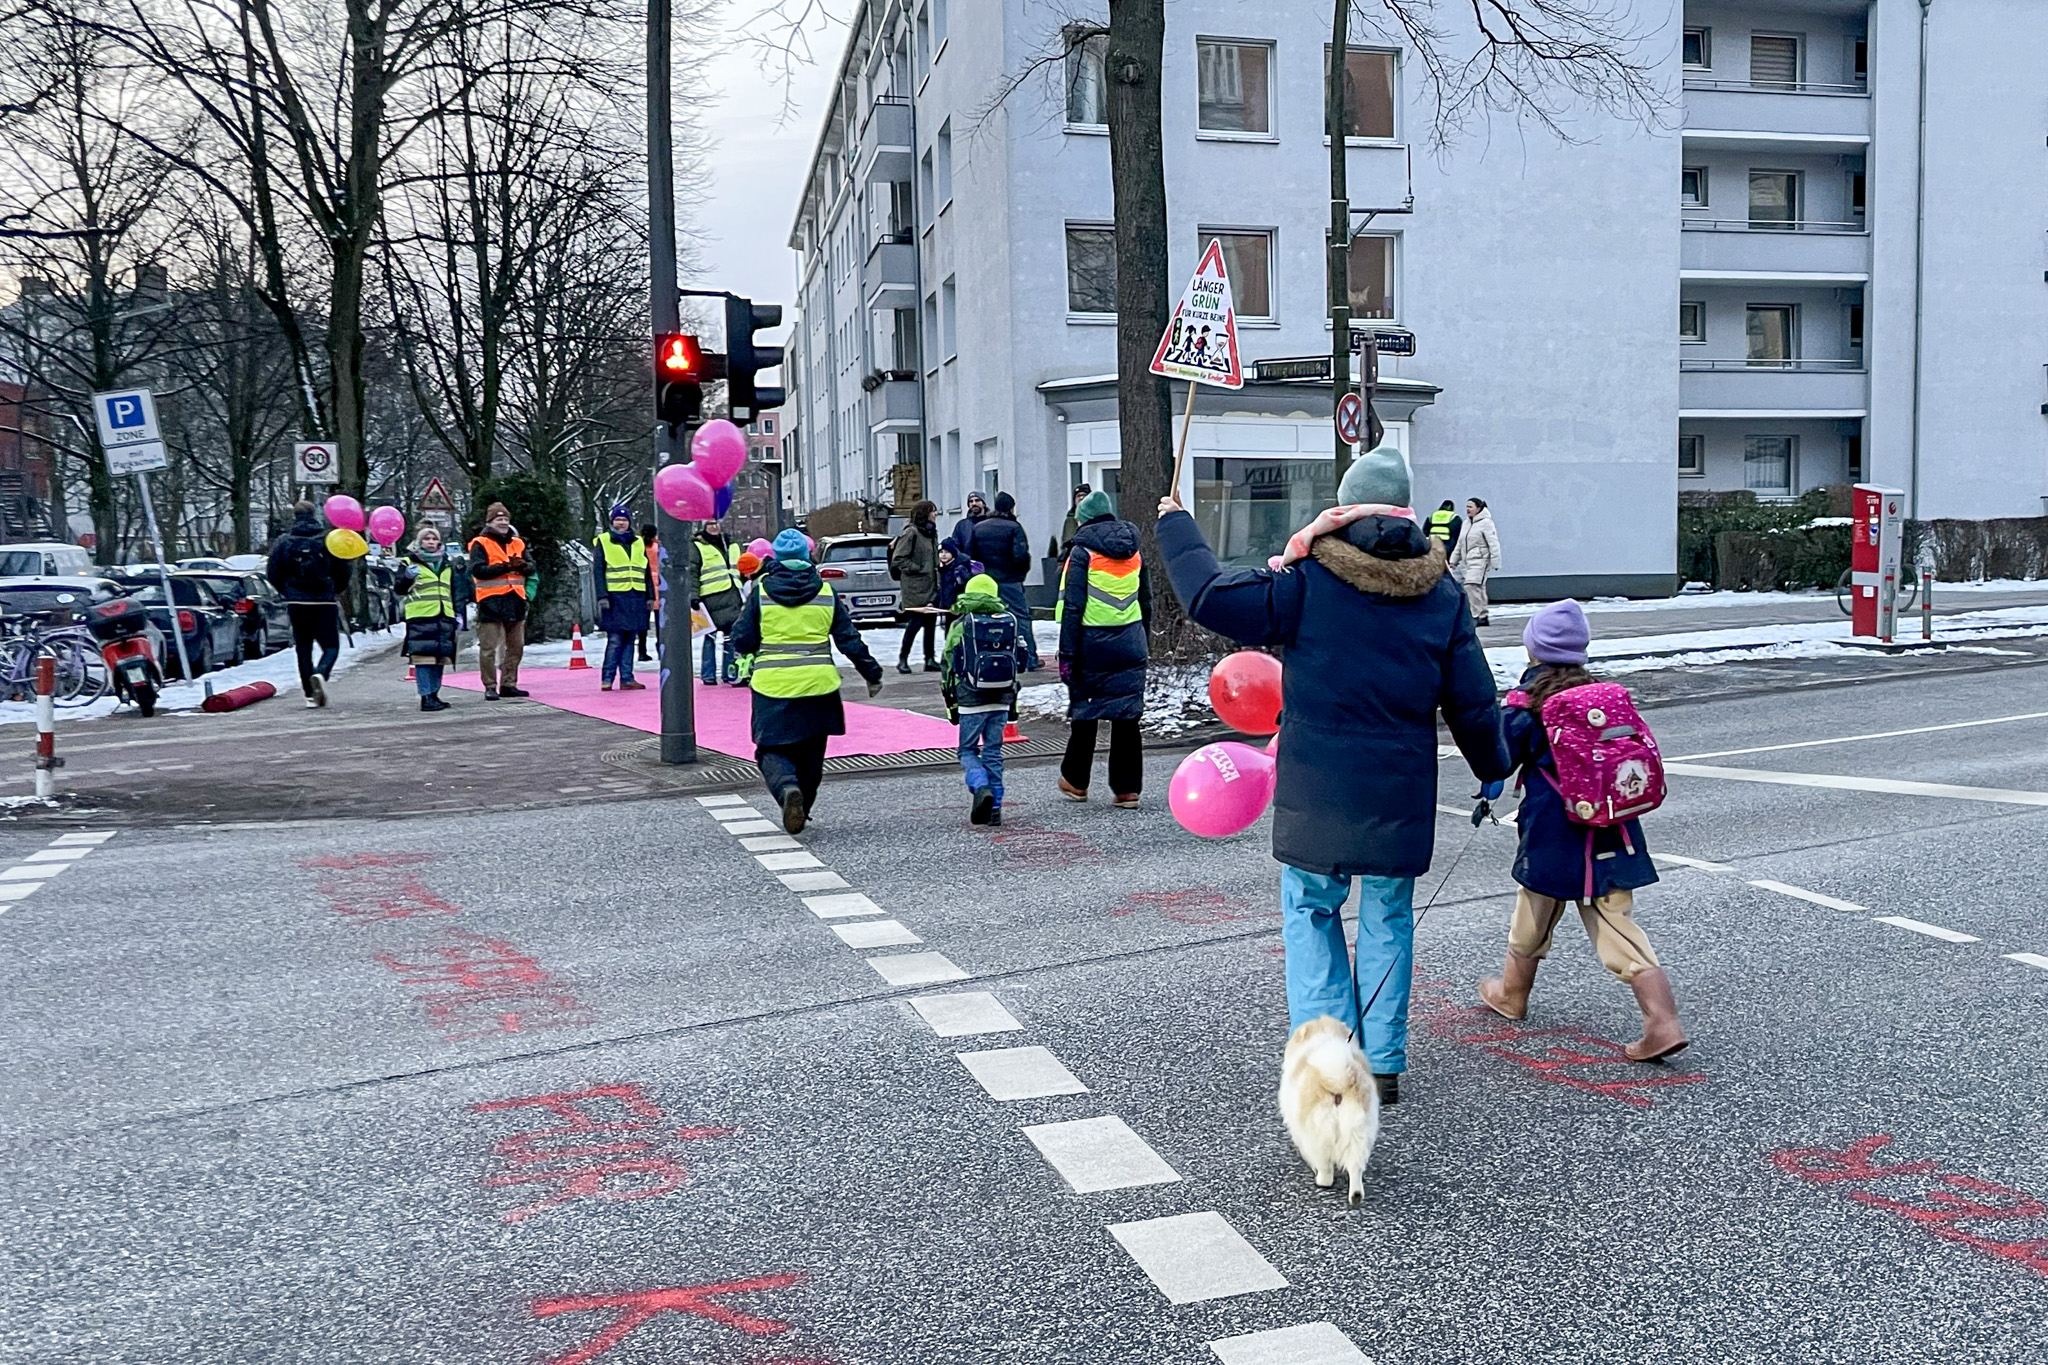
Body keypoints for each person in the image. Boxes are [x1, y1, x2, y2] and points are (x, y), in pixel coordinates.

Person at [1155, 448, 1511, 1106]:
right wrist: (1493, 769)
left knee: (1311, 910)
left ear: (1343, 510)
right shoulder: (1440, 593)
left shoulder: (1307, 581)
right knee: (1389, 916)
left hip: (1316, 790)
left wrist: (1177, 522)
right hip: (1399, 791)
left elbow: (1207, 595)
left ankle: (1327, 1055)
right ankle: (1382, 1061)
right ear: (1406, 510)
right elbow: (1472, 700)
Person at [1477, 600, 1686, 1060]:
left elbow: (1496, 760)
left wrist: (1487, 790)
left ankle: (1514, 994)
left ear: (1533, 650)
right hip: (1613, 829)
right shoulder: (1603, 700)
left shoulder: (1526, 706)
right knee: (1615, 919)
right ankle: (1661, 1019)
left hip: (1554, 833)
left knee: (1534, 910)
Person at [731, 527, 885, 833]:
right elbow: (849, 639)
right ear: (808, 556)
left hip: (772, 687)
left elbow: (742, 639)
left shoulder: (761, 592)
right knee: (812, 756)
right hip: (819, 687)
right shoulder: (826, 592)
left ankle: (788, 789)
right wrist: (872, 673)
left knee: (770, 749)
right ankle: (803, 804)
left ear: (776, 557)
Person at [1055, 489, 1150, 807]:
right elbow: (1145, 600)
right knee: (1127, 717)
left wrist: (1067, 653)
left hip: (1092, 644)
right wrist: (1141, 640)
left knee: (1086, 713)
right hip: (1130, 641)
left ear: (1083, 520)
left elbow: (1073, 606)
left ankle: (1075, 781)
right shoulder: (1134, 550)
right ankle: (1127, 790)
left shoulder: (1082, 552)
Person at [941, 572, 1024, 827]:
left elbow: (948, 666)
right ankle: (995, 807)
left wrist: (951, 704)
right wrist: (1012, 706)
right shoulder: (1010, 622)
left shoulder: (961, 624)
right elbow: (1019, 662)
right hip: (1001, 699)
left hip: (970, 699)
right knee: (993, 752)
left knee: (967, 750)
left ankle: (980, 786)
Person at [266, 499, 351, 708]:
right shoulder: (328, 540)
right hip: (324, 600)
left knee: (303, 648)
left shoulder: (284, 542)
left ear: (294, 516)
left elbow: (273, 572)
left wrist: (287, 591)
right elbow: (343, 568)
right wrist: (335, 589)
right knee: (331, 645)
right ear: (315, 514)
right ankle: (321, 673)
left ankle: (310, 695)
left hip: (296, 601)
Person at [970, 491, 1041, 670]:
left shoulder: (979, 527)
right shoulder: (1014, 527)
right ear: (1010, 508)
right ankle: (1030, 658)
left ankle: (987, 655)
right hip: (1010, 581)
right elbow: (1020, 556)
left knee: (987, 618)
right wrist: (1020, 575)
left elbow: (972, 555)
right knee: (1021, 619)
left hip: (986, 582)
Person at [467, 501, 531, 701]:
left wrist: (523, 566)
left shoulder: (518, 543)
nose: (503, 522)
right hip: (491, 600)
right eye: (498, 519)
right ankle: (490, 685)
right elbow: (478, 570)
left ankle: (509, 683)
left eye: (505, 519)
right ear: (490, 522)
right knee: (488, 647)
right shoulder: (481, 543)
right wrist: (505, 567)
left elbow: (532, 567)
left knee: (516, 646)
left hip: (515, 599)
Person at [396, 525, 459, 712]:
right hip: (421, 616)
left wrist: (458, 611)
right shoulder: (409, 561)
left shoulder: (446, 563)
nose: (431, 542)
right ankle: (425, 696)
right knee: (424, 659)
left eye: (434, 539)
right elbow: (399, 589)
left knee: (440, 658)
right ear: (420, 542)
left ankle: (434, 694)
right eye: (427, 539)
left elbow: (454, 589)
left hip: (443, 615)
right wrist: (407, 578)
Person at [593, 503, 652, 692]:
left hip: (636, 596)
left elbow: (646, 571)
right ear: (612, 522)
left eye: (624, 520)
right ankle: (607, 678)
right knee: (615, 639)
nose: (621, 524)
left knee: (630, 639)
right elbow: (598, 570)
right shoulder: (603, 541)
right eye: (617, 520)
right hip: (615, 597)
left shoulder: (638, 542)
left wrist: (650, 596)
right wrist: (602, 596)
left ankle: (627, 678)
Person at [889, 499, 942, 674]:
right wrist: (917, 569)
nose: (935, 515)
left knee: (930, 623)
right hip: (915, 587)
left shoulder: (931, 532)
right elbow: (898, 559)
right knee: (915, 623)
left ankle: (929, 659)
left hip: (931, 585)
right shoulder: (911, 533)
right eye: (932, 511)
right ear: (924, 514)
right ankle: (903, 658)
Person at [694, 518, 744, 685]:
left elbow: (742, 569)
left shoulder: (731, 544)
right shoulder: (698, 546)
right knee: (710, 638)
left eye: (715, 523)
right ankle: (708, 675)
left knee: (731, 639)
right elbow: (692, 573)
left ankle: (730, 673)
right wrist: (693, 596)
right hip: (710, 598)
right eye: (709, 524)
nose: (714, 527)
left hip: (733, 595)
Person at [1450, 496, 1501, 626]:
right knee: (1477, 588)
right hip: (1467, 561)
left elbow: (1493, 543)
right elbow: (1460, 543)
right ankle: (1482, 615)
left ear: (1479, 508)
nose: (1467, 509)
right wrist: (1453, 560)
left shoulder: (1486, 523)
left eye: (1470, 507)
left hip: (1480, 560)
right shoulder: (1466, 523)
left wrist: (1496, 561)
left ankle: (1476, 615)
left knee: (1471, 585)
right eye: (1467, 506)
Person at [637, 524, 660, 662]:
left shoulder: (638, 546)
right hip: (658, 585)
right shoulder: (657, 547)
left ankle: (642, 650)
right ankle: (660, 647)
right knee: (659, 622)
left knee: (643, 623)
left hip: (643, 585)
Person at [934, 537, 973, 612]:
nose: (943, 555)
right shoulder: (942, 568)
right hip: (946, 606)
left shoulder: (960, 569)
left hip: (957, 606)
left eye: (947, 552)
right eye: (941, 552)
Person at [1059, 482, 1093, 554]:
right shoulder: (1070, 519)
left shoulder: (1096, 517)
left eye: (1084, 495)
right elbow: (1067, 542)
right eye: (1078, 496)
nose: (1081, 498)